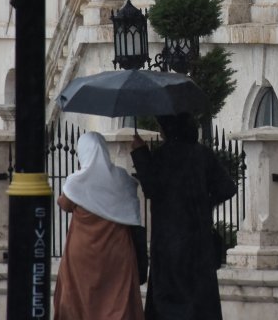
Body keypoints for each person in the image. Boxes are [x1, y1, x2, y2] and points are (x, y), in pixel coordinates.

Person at [131, 114, 238, 320]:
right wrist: (205, 205)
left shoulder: (163, 156)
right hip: (199, 242)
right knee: (200, 302)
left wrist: (140, 152)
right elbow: (227, 188)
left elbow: (151, 188)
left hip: (169, 243)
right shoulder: (203, 155)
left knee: (169, 303)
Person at [54, 132, 146, 320]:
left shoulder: (76, 181)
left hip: (82, 253)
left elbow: (64, 204)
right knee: (116, 299)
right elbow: (132, 201)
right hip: (117, 251)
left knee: (81, 299)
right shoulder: (121, 177)